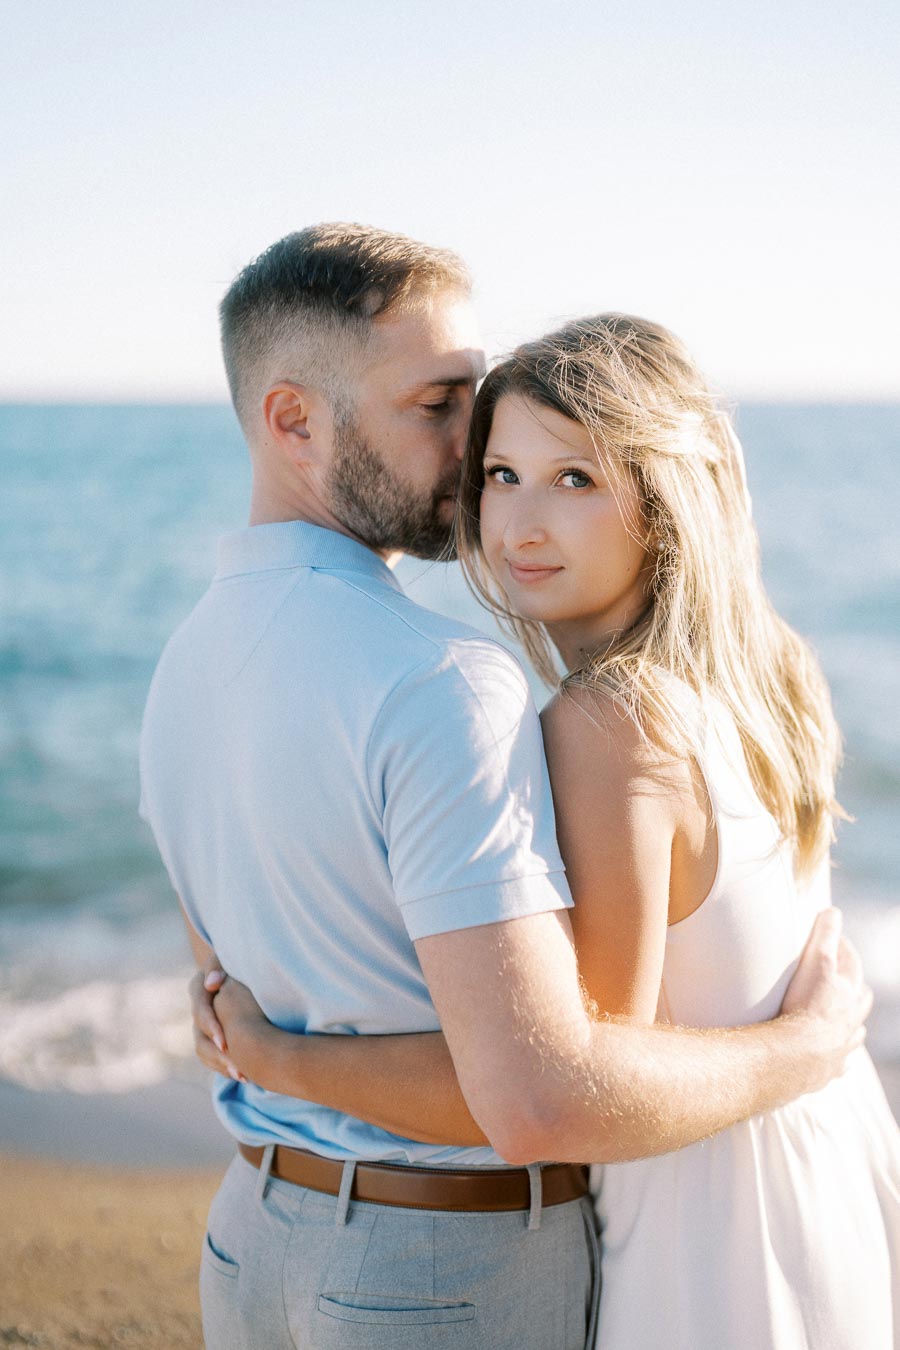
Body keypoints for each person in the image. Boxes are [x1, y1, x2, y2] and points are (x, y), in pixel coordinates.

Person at [142, 224, 870, 1350]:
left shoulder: (182, 668)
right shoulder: (470, 683)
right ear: (293, 418)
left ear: (662, 495)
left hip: (254, 1234)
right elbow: (550, 1094)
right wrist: (808, 1051)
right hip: (443, 1259)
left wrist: (267, 1053)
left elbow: (235, 993)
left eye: (571, 476)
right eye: (451, 420)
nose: (485, 477)